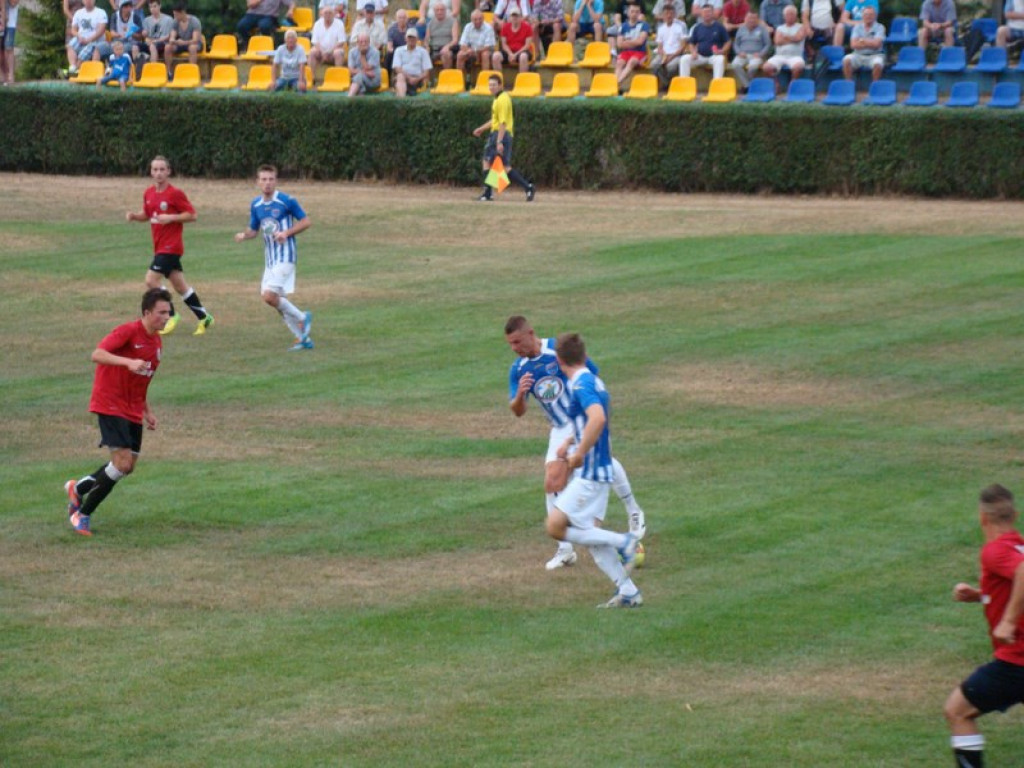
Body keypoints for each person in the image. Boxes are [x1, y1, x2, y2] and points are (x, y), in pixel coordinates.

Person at [505, 316, 647, 571]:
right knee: (552, 483)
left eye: (517, 342)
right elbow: (517, 411)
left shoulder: (557, 351)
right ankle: (565, 550)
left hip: (582, 416)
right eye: (510, 344)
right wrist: (519, 395)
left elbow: (590, 374)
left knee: (601, 464)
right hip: (559, 428)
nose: (515, 348)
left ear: (530, 333)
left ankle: (633, 510)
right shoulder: (518, 369)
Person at [63, 288, 173, 536]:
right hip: (110, 402)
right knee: (121, 464)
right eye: (161, 312)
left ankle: (78, 488)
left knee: (127, 466)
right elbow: (97, 354)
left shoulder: (156, 343)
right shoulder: (128, 331)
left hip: (132, 407)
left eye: (168, 312)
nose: (166, 317)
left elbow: (142, 380)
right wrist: (127, 362)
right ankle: (82, 514)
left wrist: (147, 410)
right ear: (147, 312)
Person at [547, 332, 642, 608]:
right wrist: (570, 440)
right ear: (584, 355)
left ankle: (624, 542)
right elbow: (594, 419)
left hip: (591, 472)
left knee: (555, 526)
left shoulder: (580, 385)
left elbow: (597, 419)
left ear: (560, 360)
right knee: (589, 536)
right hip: (598, 467)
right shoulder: (593, 380)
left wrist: (578, 453)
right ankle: (629, 592)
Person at [944, 484, 1024, 768]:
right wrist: (982, 595)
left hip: (1017, 662)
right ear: (1014, 514)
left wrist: (1008, 621)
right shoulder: (1018, 545)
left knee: (958, 711)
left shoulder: (995, 550)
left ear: (982, 518)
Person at [126, 155, 213, 336]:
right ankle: (204, 317)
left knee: (151, 280)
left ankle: (171, 314)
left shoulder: (175, 194)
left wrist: (171, 217)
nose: (158, 173)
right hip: (159, 246)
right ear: (151, 172)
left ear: (168, 172)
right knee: (181, 287)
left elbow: (192, 215)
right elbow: (148, 214)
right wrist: (135, 216)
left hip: (171, 247)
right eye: (155, 170)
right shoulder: (148, 193)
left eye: (162, 169)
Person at [233, 165, 314, 352]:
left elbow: (306, 221)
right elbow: (254, 230)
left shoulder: (286, 201)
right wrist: (244, 235)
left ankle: (303, 318)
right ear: (257, 182)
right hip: (270, 260)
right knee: (278, 302)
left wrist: (287, 232)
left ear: (276, 181)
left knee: (269, 296)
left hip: (286, 256)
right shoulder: (256, 205)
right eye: (263, 179)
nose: (267, 183)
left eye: (270, 179)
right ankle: (302, 339)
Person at [472, 73, 535, 202]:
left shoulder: (503, 99)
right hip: (497, 134)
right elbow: (495, 120)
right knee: (490, 162)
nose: (491, 87)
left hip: (501, 134)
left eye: (494, 85)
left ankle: (527, 187)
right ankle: (489, 192)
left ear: (500, 85)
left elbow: (503, 123)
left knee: (501, 165)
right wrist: (482, 128)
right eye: (490, 85)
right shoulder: (498, 98)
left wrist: (499, 141)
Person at [679, 3, 728, 80]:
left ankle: (717, 86)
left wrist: (722, 51)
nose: (707, 14)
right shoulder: (697, 27)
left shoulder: (719, 27)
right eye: (704, 12)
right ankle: (684, 84)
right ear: (701, 14)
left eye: (709, 12)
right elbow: (691, 43)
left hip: (714, 56)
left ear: (712, 13)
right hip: (700, 56)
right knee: (684, 59)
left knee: (720, 59)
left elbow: (727, 42)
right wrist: (693, 52)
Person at [761, 3, 804, 81]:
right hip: (779, 56)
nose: (790, 16)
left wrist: (785, 37)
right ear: (784, 17)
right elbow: (777, 41)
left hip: (795, 56)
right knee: (766, 67)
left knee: (798, 67)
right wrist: (792, 39)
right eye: (788, 15)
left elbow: (798, 38)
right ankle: (776, 83)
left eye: (792, 14)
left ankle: (792, 84)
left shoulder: (801, 27)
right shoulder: (779, 28)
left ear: (796, 16)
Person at [840, 4, 883, 82]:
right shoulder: (857, 27)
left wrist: (862, 40)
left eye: (871, 14)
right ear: (862, 16)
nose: (868, 16)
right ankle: (849, 84)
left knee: (878, 63)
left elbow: (877, 44)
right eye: (866, 14)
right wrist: (871, 42)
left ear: (875, 16)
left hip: (875, 55)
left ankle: (875, 86)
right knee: (846, 60)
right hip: (858, 55)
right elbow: (853, 45)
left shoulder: (880, 27)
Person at [650, 0, 687, 88]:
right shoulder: (661, 28)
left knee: (671, 66)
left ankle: (669, 86)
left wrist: (671, 57)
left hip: (676, 54)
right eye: (666, 13)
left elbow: (683, 46)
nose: (669, 15)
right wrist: (664, 56)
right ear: (662, 15)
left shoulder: (681, 26)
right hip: (664, 54)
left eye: (671, 13)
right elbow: (660, 46)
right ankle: (660, 85)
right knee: (654, 64)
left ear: (674, 15)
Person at [614, 1, 650, 89]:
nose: (634, 14)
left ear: (640, 13)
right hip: (627, 52)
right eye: (632, 11)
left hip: (640, 53)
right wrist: (633, 42)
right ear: (628, 13)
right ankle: (615, 84)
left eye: (637, 12)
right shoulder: (623, 26)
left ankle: (616, 84)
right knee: (619, 63)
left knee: (632, 61)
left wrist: (626, 42)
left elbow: (640, 42)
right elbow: (619, 44)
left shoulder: (644, 25)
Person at [730, 9, 770, 89]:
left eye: (754, 18)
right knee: (735, 64)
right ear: (745, 19)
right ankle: (748, 85)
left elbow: (767, 44)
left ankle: (746, 86)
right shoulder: (741, 29)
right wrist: (739, 52)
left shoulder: (762, 29)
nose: (751, 20)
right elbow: (736, 44)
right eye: (749, 18)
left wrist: (760, 54)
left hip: (756, 55)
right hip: (742, 55)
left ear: (757, 19)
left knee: (753, 67)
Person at [66, 0, 107, 75]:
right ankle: (73, 67)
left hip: (96, 39)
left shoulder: (101, 12)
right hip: (81, 37)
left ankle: (77, 70)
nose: (88, 1)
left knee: (84, 52)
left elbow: (101, 30)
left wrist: (89, 39)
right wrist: (78, 36)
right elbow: (73, 30)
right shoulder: (78, 13)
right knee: (70, 45)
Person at [492, 7, 533, 74]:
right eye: (513, 16)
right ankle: (498, 81)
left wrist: (515, 55)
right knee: (495, 56)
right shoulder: (505, 27)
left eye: (516, 16)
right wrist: (510, 54)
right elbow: (504, 44)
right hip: (508, 51)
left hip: (522, 51)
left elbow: (527, 45)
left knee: (523, 57)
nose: (514, 18)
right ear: (510, 17)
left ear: (520, 17)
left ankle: (521, 82)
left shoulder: (527, 27)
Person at [393, 27, 432, 96]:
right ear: (405, 38)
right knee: (400, 76)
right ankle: (402, 100)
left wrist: (416, 79)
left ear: (417, 39)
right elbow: (397, 69)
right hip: (404, 77)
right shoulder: (398, 50)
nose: (411, 39)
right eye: (409, 37)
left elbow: (427, 71)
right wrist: (409, 78)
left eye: (413, 37)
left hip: (419, 78)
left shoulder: (423, 52)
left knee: (425, 79)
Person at [456, 9, 496, 75]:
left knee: (485, 54)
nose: (478, 21)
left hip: (484, 51)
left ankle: (484, 80)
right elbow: (462, 44)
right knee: (460, 54)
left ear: (483, 18)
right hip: (471, 52)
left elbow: (488, 47)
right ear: (471, 20)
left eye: (480, 19)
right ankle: (461, 80)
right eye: (475, 19)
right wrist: (468, 50)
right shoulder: (468, 27)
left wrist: (475, 51)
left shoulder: (488, 28)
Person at [165, 0, 201, 70]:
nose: (175, 17)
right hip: (181, 43)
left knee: (192, 47)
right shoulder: (176, 21)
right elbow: (172, 35)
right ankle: (168, 71)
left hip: (194, 43)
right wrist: (173, 40)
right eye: (174, 15)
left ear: (182, 13)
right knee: (168, 47)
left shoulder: (194, 21)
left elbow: (195, 40)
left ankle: (192, 71)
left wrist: (184, 42)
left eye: (176, 15)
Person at [309, 4, 346, 69]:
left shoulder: (340, 24)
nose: (328, 15)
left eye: (330, 13)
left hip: (334, 51)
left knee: (338, 52)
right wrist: (322, 52)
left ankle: (338, 77)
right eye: (325, 13)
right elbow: (314, 41)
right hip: (320, 51)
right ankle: (311, 77)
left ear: (334, 14)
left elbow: (341, 42)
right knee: (312, 52)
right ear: (322, 14)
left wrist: (329, 52)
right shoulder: (317, 24)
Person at [424, 1, 459, 68]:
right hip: (434, 49)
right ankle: (427, 78)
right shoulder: (430, 23)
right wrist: (426, 46)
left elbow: (455, 40)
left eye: (442, 10)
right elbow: (426, 39)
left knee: (446, 54)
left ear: (445, 11)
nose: (439, 12)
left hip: (448, 48)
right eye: (437, 10)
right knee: (423, 54)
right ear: (434, 12)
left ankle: (446, 76)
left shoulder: (453, 21)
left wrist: (447, 47)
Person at [141, 0, 172, 66]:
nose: (152, 9)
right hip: (150, 42)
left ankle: (154, 69)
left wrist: (155, 41)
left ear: (159, 6)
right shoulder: (146, 20)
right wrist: (145, 36)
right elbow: (145, 36)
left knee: (152, 46)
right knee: (135, 46)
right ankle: (138, 72)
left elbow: (169, 36)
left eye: (155, 6)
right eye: (150, 7)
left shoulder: (168, 19)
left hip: (163, 42)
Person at [2, 0, 19, 85]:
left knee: (8, 48)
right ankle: (4, 76)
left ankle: (11, 76)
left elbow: (13, 3)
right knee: (2, 51)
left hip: (10, 23)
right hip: (1, 22)